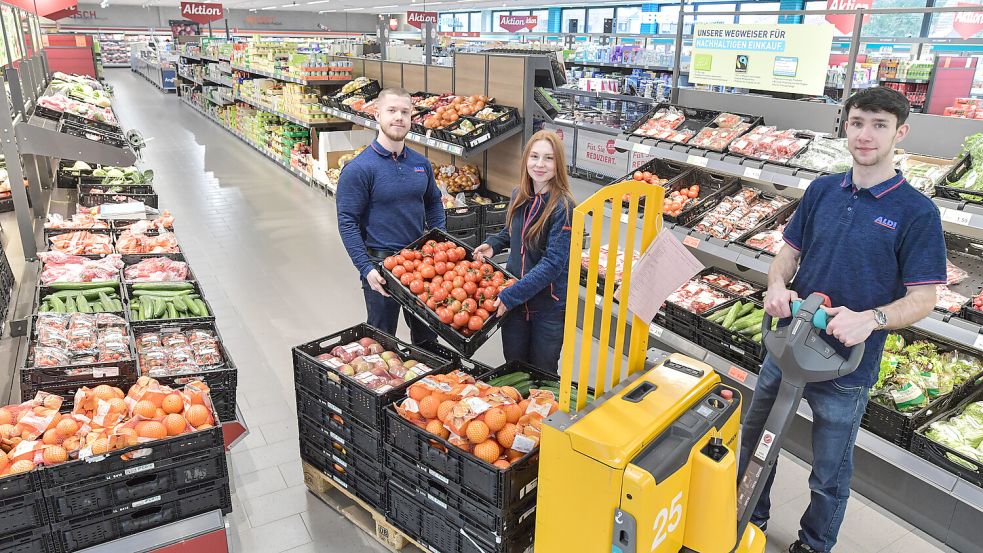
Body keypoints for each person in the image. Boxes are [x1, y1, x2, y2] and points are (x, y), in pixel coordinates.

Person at [741, 86, 946, 553]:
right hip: (789, 344)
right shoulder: (822, 190)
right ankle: (749, 521)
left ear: (901, 132)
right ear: (845, 126)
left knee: (829, 471)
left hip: (847, 366)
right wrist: (776, 286)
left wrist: (870, 319)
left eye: (879, 125)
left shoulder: (917, 212)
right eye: (857, 123)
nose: (866, 135)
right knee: (758, 442)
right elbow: (787, 255)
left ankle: (814, 545)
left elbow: (924, 298)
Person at [336, 88, 444, 348]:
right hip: (380, 265)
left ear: (411, 117)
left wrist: (438, 241)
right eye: (392, 111)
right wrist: (366, 268)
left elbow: (433, 202)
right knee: (382, 339)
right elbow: (347, 221)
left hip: (420, 262)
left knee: (427, 336)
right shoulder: (359, 169)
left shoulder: (421, 164)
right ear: (377, 114)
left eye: (405, 112)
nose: (399, 117)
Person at [474, 130, 574, 373]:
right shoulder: (519, 194)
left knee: (543, 370)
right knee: (515, 366)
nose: (540, 165)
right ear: (526, 159)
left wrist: (511, 295)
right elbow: (512, 230)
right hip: (516, 303)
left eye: (549, 158)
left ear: (558, 163)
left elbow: (553, 264)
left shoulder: (564, 206)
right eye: (535, 156)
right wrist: (494, 244)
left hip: (547, 306)